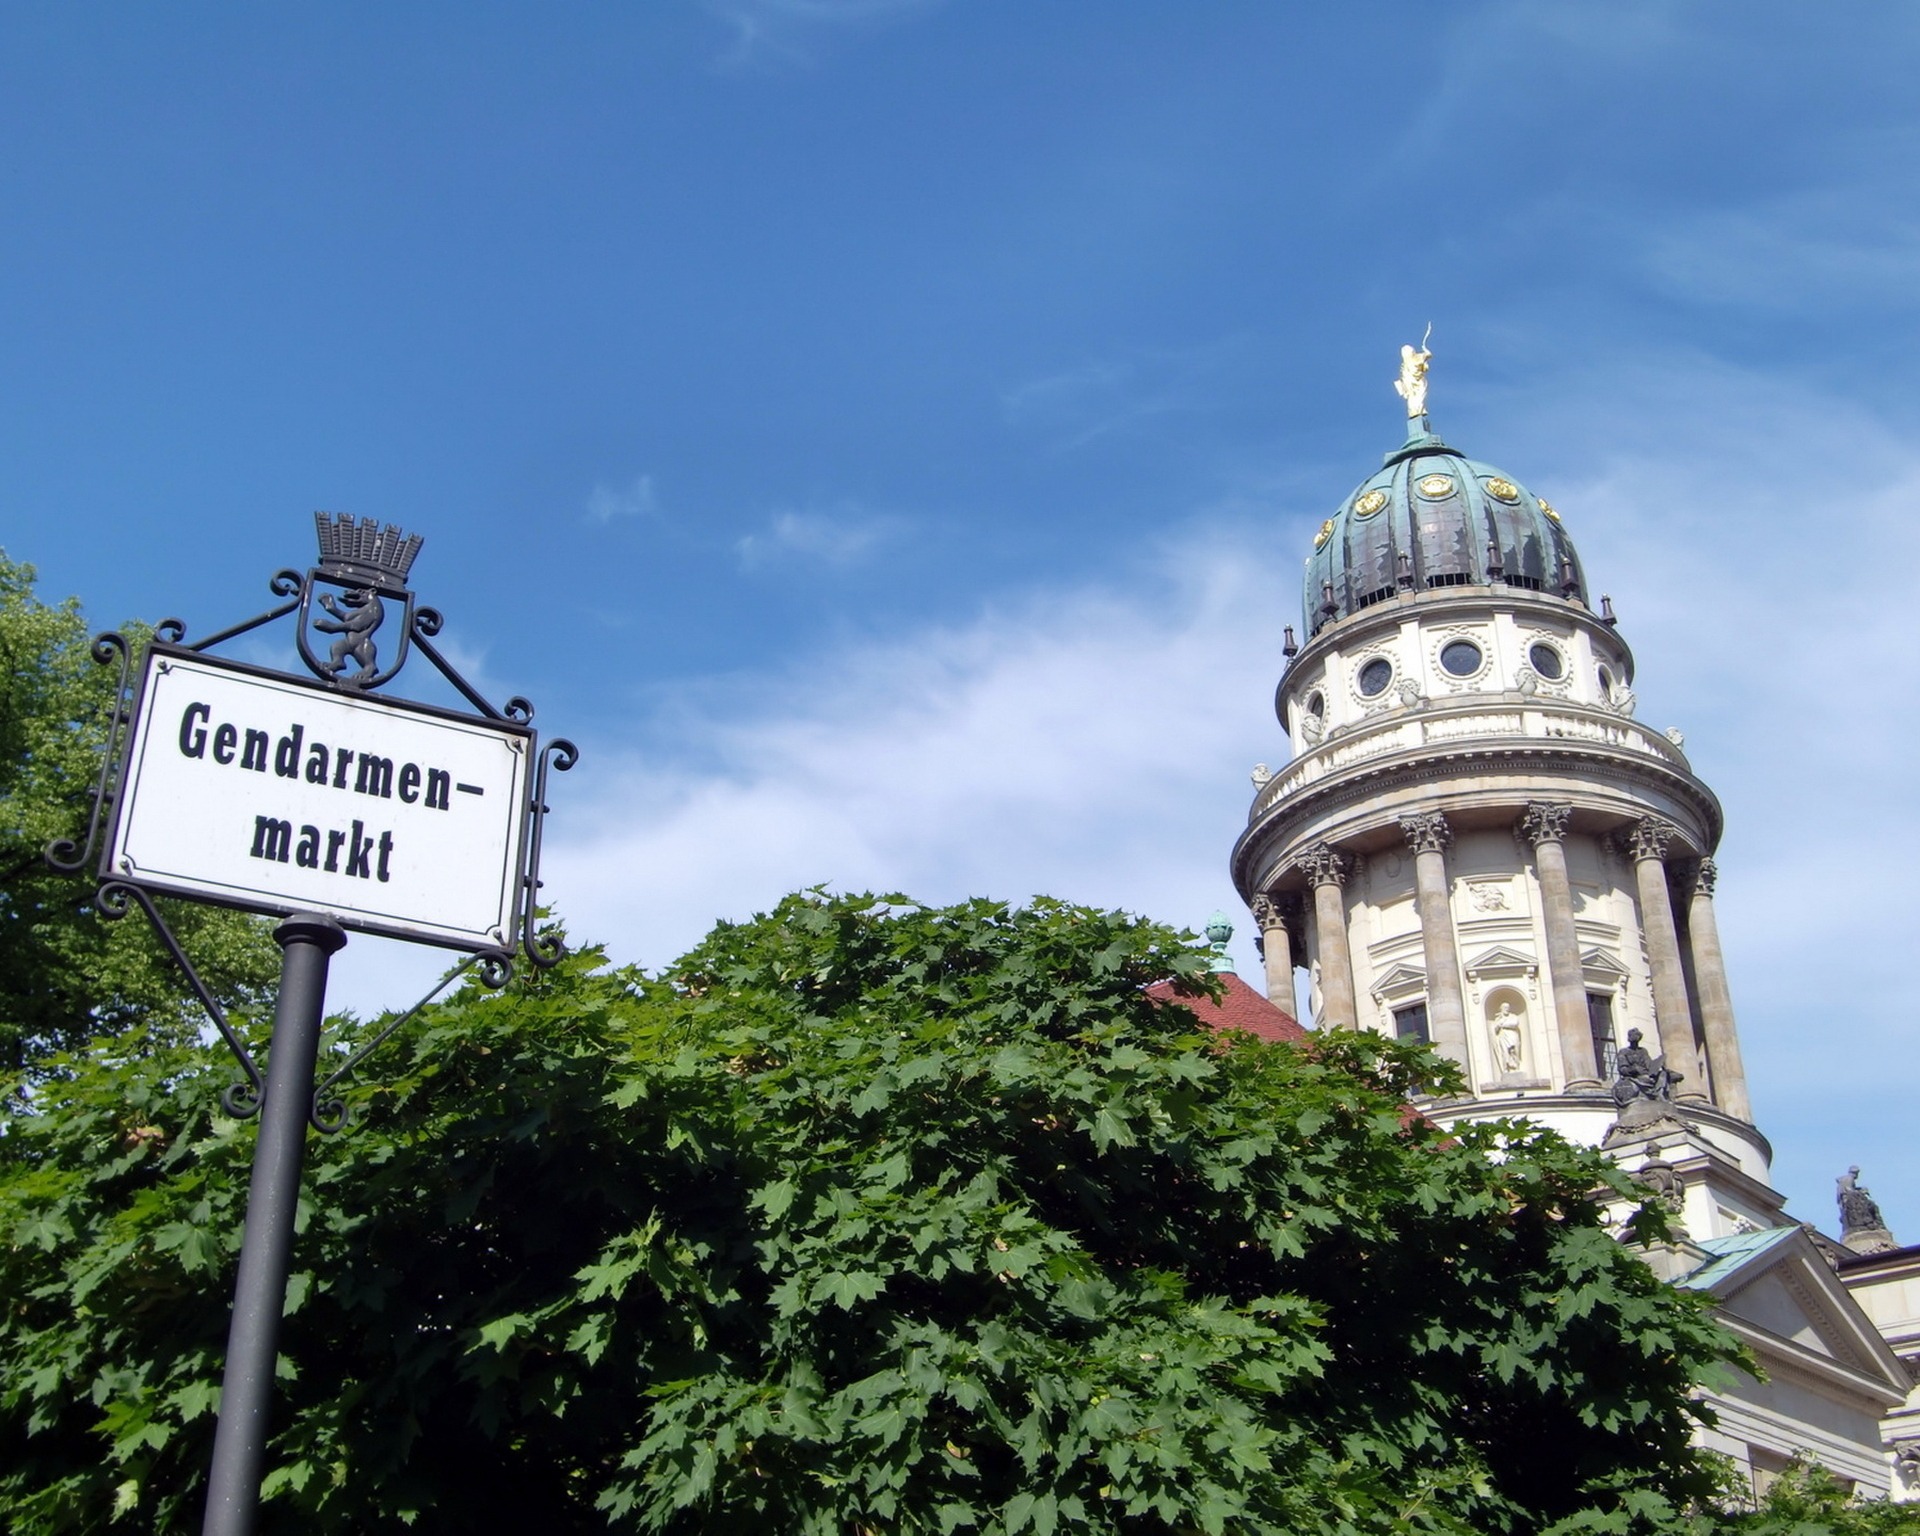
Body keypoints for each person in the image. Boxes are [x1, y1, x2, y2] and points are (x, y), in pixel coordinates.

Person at [1610, 1027, 1681, 1107]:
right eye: (1634, 1038)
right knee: (1645, 1078)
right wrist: (1634, 1069)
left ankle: (1660, 1094)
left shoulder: (1643, 1051)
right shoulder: (1624, 1052)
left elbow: (1649, 1064)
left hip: (1646, 1075)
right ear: (1630, 1039)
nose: (1635, 1041)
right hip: (1634, 1077)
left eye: (1637, 1038)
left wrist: (1658, 1065)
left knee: (1663, 1074)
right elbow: (1622, 1069)